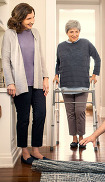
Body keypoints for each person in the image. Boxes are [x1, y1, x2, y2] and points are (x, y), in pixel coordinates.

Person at [1, 3, 49, 164]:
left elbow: (41, 57)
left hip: (37, 82)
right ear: (19, 18)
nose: (32, 21)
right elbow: (6, 61)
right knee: (23, 118)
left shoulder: (35, 33)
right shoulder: (9, 34)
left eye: (33, 17)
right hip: (21, 83)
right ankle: (24, 151)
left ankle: (36, 150)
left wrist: (46, 77)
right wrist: (10, 82)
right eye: (29, 18)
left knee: (41, 114)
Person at [53, 20, 101, 149]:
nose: (74, 34)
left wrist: (94, 74)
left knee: (79, 111)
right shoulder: (61, 46)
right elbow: (58, 63)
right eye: (71, 31)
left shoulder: (86, 43)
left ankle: (81, 138)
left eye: (76, 31)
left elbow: (97, 58)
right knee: (70, 113)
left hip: (82, 84)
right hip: (66, 84)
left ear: (79, 32)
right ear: (67, 33)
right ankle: (74, 138)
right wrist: (56, 75)